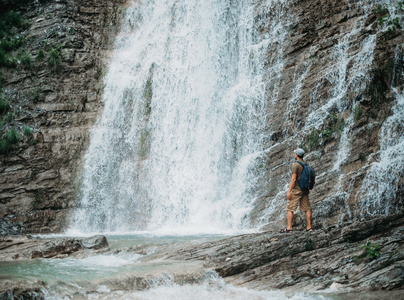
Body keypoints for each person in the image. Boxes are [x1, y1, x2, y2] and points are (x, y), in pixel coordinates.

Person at [279, 148, 312, 233]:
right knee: (307, 208)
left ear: (296, 155)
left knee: (290, 209)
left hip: (297, 190)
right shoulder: (306, 164)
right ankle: (309, 227)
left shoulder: (295, 165)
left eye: (295, 153)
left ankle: (289, 228)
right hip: (305, 190)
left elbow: (293, 179)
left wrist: (289, 191)